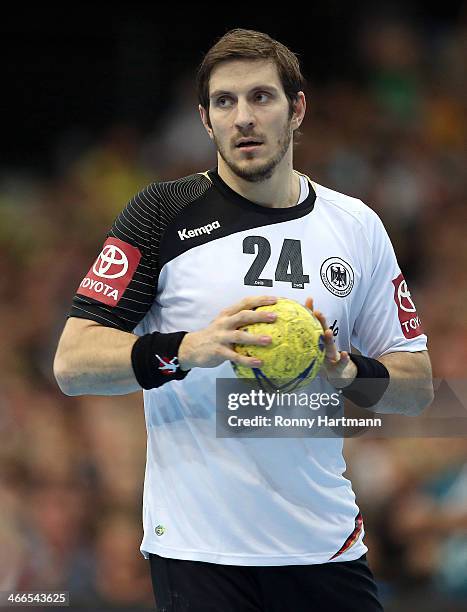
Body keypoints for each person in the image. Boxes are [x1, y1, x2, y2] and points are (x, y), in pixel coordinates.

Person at [54, 28, 433, 612]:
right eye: (224, 102)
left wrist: (345, 372)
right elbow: (73, 364)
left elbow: (418, 389)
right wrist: (187, 349)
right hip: (198, 551)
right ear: (205, 120)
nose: (244, 118)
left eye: (262, 97)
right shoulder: (162, 215)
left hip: (324, 543)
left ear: (297, 108)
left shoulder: (356, 225)